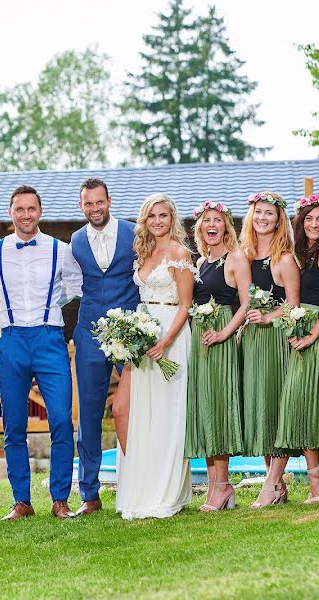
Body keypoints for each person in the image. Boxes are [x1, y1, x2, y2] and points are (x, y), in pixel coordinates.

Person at [0, 185, 83, 521]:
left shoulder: (61, 250)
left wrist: (49, 304)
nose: (26, 215)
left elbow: (75, 287)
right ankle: (22, 501)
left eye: (32, 209)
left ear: (40, 212)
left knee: (61, 419)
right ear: (11, 212)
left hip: (49, 338)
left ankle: (60, 498)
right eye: (20, 209)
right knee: (13, 424)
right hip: (12, 339)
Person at [113, 193, 193, 520]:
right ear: (144, 221)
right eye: (151, 217)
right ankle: (141, 486)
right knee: (138, 412)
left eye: (163, 215)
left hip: (170, 336)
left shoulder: (179, 253)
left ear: (172, 219)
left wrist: (166, 341)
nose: (158, 221)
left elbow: (186, 305)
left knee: (167, 414)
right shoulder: (144, 252)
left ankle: (166, 491)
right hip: (143, 336)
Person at [70, 178, 139, 517]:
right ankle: (90, 494)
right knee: (89, 414)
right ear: (81, 206)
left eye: (99, 202)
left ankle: (141, 482)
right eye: (88, 204)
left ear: (109, 200)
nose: (95, 208)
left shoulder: (134, 232)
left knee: (137, 408)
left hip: (130, 334)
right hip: (89, 333)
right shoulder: (75, 240)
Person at [274, 195, 319, 504]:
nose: (314, 224)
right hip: (301, 326)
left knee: (312, 404)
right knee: (305, 404)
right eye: (309, 219)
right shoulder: (300, 253)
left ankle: (318, 478)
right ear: (300, 222)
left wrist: (312, 335)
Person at [185, 200, 250, 512]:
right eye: (206, 220)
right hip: (200, 340)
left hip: (220, 338)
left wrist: (226, 334)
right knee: (205, 407)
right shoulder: (199, 264)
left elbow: (247, 303)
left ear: (226, 226)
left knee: (219, 407)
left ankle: (222, 485)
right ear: (199, 227)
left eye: (217, 220)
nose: (211, 225)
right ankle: (216, 486)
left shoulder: (235, 258)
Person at [239, 191, 299, 509]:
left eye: (269, 214)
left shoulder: (283, 259)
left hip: (273, 340)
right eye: (258, 212)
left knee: (274, 407)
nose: (263, 218)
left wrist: (266, 317)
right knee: (260, 408)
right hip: (250, 342)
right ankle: (274, 483)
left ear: (279, 220)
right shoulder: (244, 256)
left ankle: (273, 482)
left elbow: (292, 304)